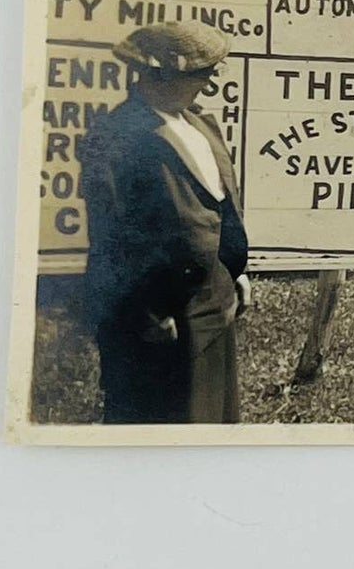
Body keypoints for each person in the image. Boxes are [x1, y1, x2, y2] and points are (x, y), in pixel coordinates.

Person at [82, 22, 250, 424]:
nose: (209, 82)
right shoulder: (115, 135)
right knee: (161, 421)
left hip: (214, 298)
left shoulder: (200, 126)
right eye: (200, 73)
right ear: (159, 74)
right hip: (161, 310)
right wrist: (144, 312)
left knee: (212, 418)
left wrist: (235, 269)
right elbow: (111, 235)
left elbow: (220, 204)